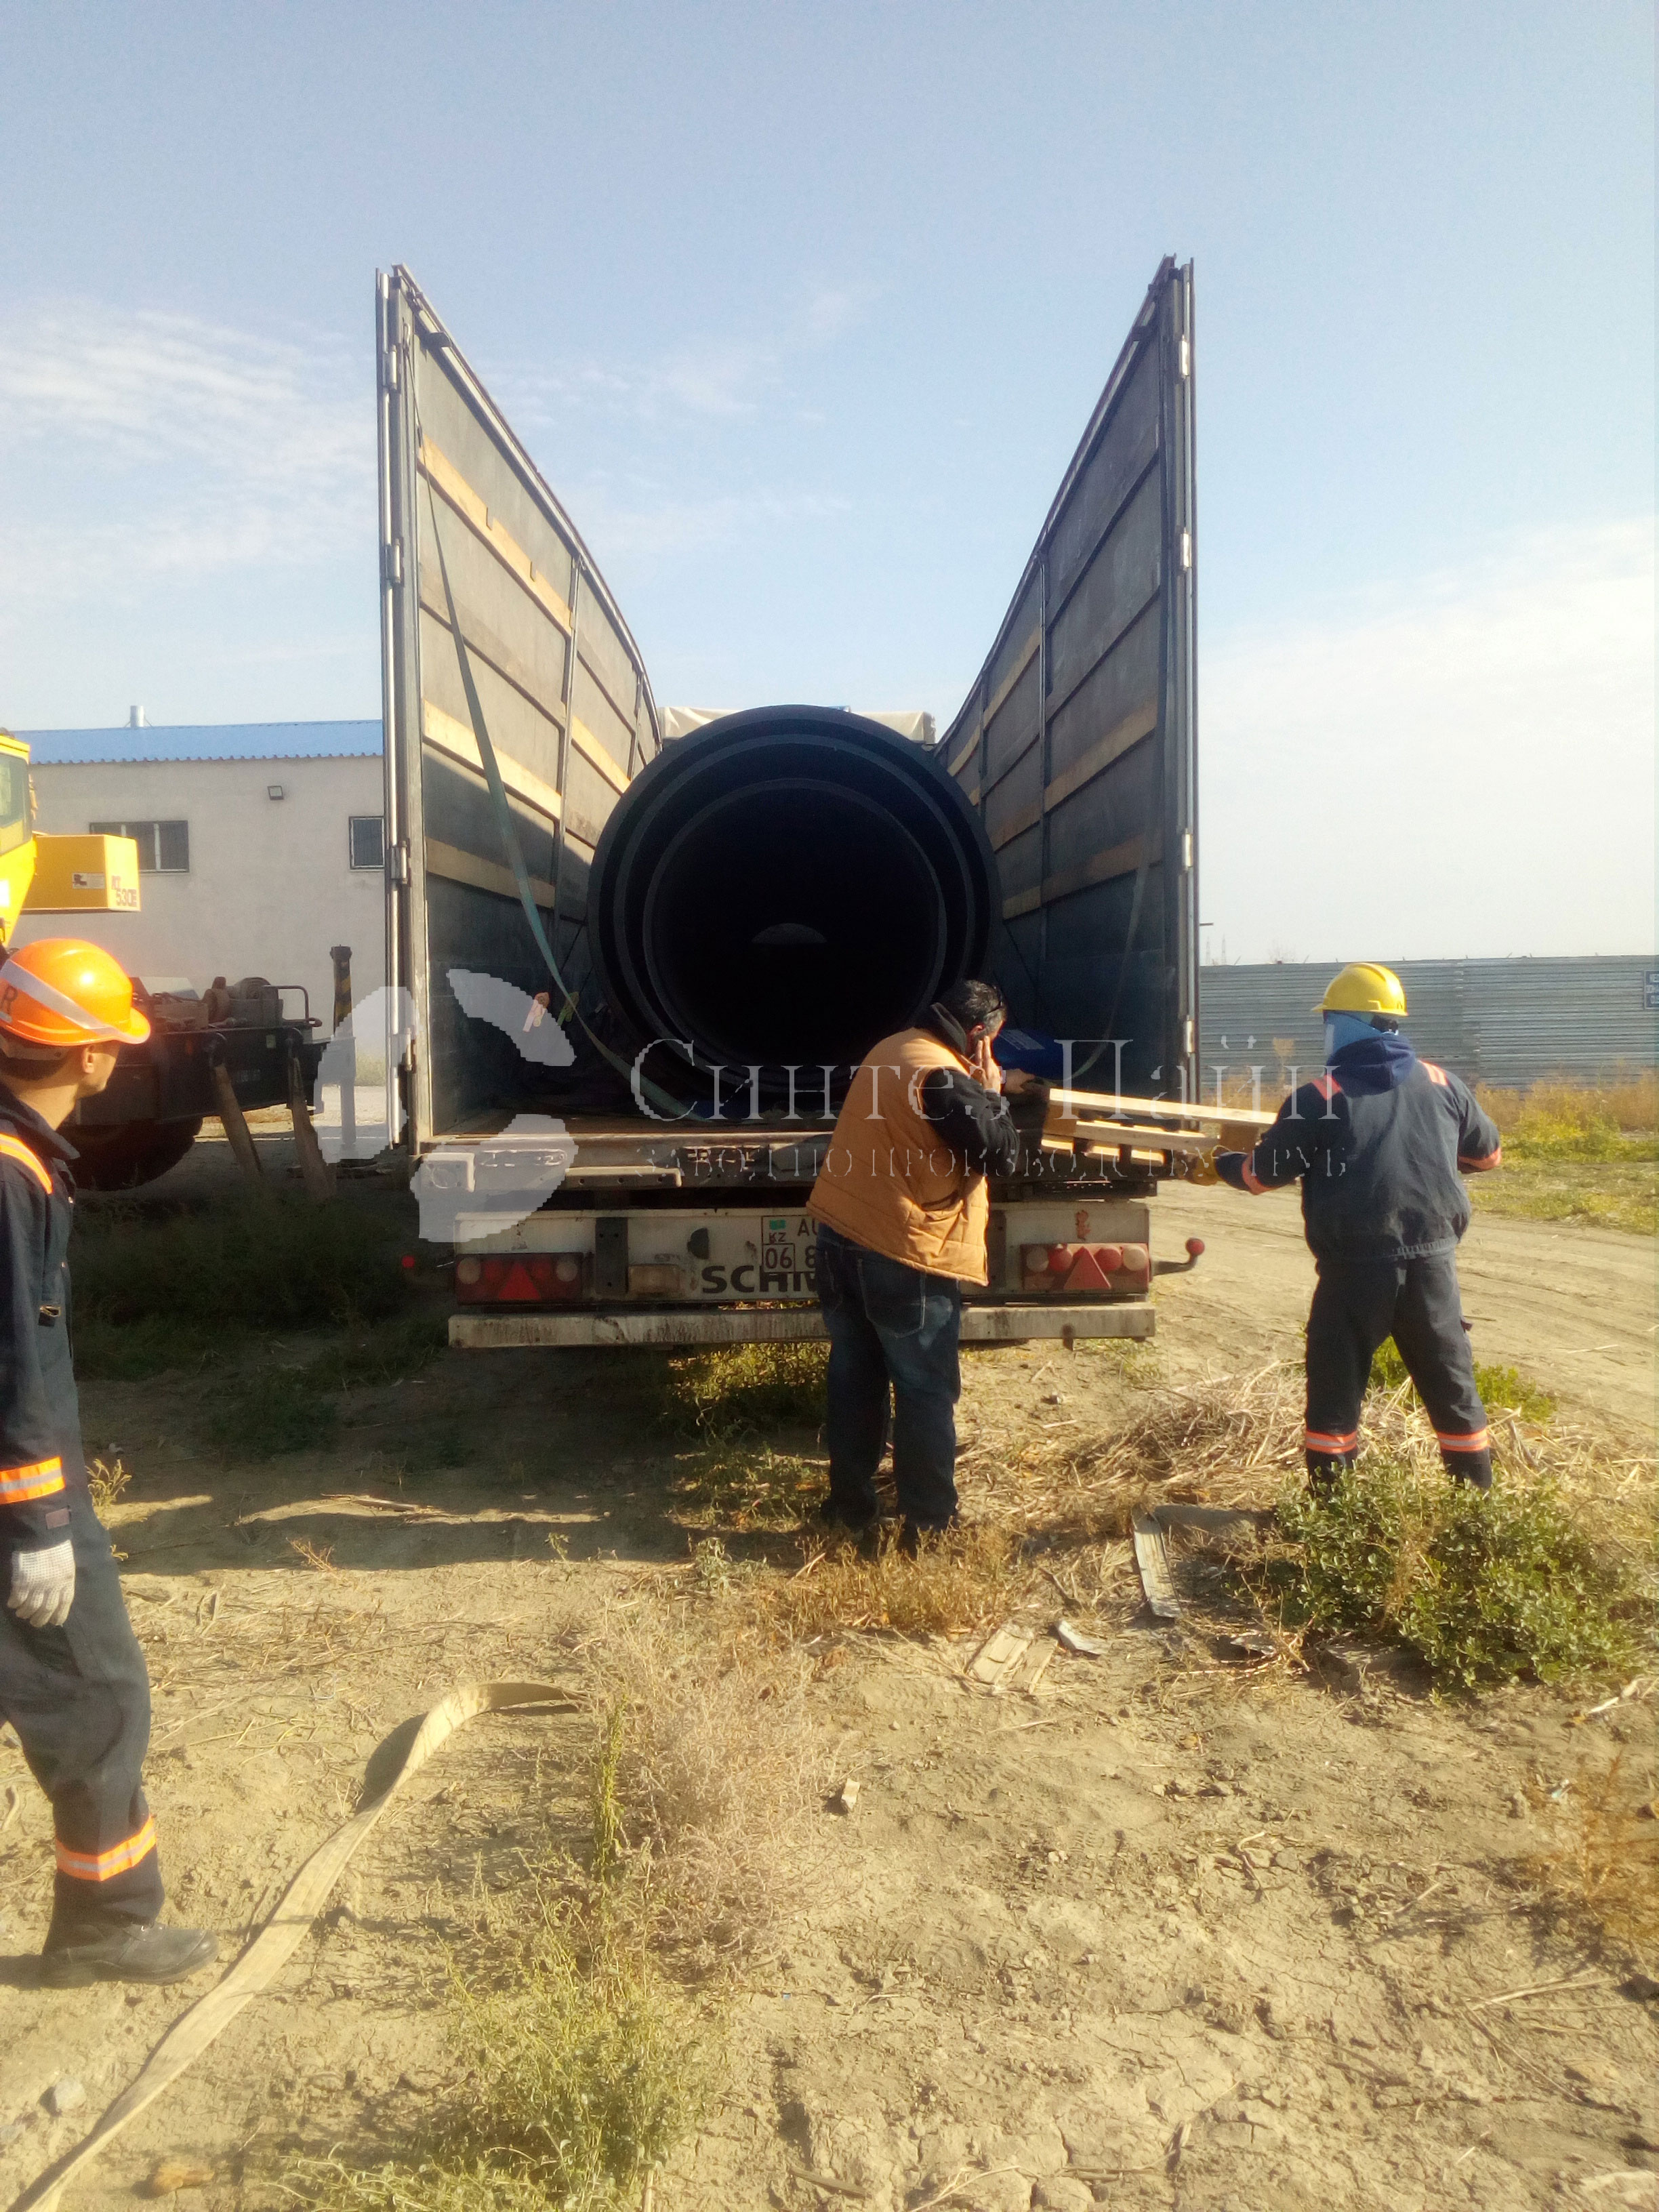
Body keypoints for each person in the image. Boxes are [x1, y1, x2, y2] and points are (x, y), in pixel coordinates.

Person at [0, 938, 218, 1986]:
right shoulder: (9, 1175)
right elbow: (10, 1364)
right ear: (86, 1055)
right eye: (114, 1044)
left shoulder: (21, 1157)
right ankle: (105, 1929)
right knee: (98, 1697)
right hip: (21, 1505)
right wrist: (40, 1526)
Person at [1214, 962, 1503, 1491]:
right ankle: (1478, 1509)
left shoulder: (1319, 1097)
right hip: (1433, 1265)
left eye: (1329, 1021)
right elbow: (1488, 1157)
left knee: (1334, 1396)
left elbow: (1260, 1177)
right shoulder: (1443, 1083)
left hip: (1354, 1272)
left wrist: (1219, 1163)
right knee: (1453, 1391)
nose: (1325, 1031)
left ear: (1349, 1024)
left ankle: (1333, 1511)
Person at [808, 978, 1033, 1548]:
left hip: (840, 1235)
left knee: (855, 1377)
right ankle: (930, 1529)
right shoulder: (943, 1077)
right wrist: (993, 1093)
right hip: (902, 1251)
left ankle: (848, 1510)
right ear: (978, 1035)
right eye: (993, 1040)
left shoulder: (893, 1048)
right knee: (925, 1389)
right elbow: (1000, 1153)